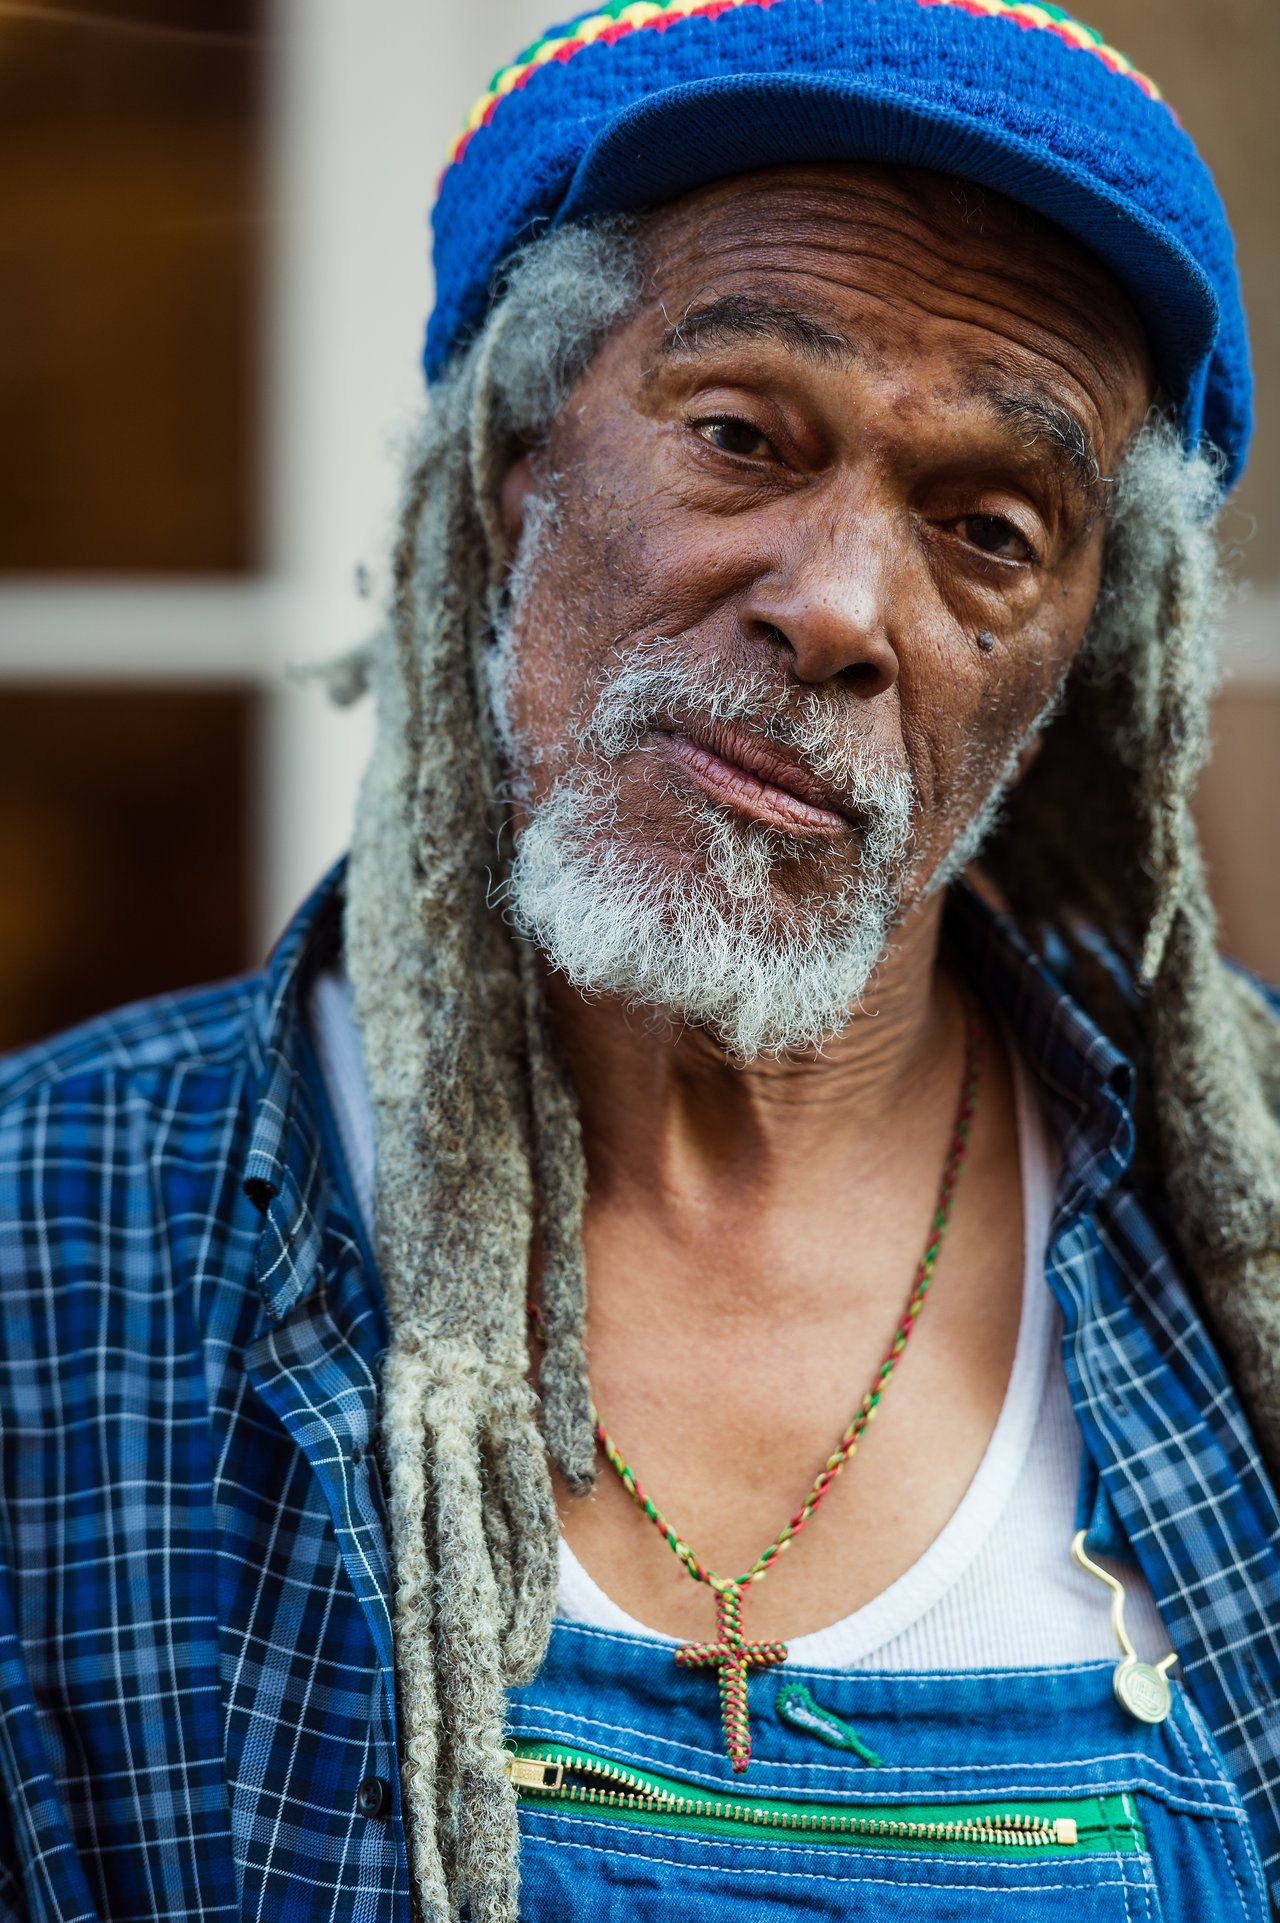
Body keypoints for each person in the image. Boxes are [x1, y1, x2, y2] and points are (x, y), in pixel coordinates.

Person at [2, 2, 1279, 1919]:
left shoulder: (1242, 1233)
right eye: (742, 436)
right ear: (518, 466)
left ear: (1080, 656)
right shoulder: (49, 1242)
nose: (838, 607)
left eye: (989, 528)